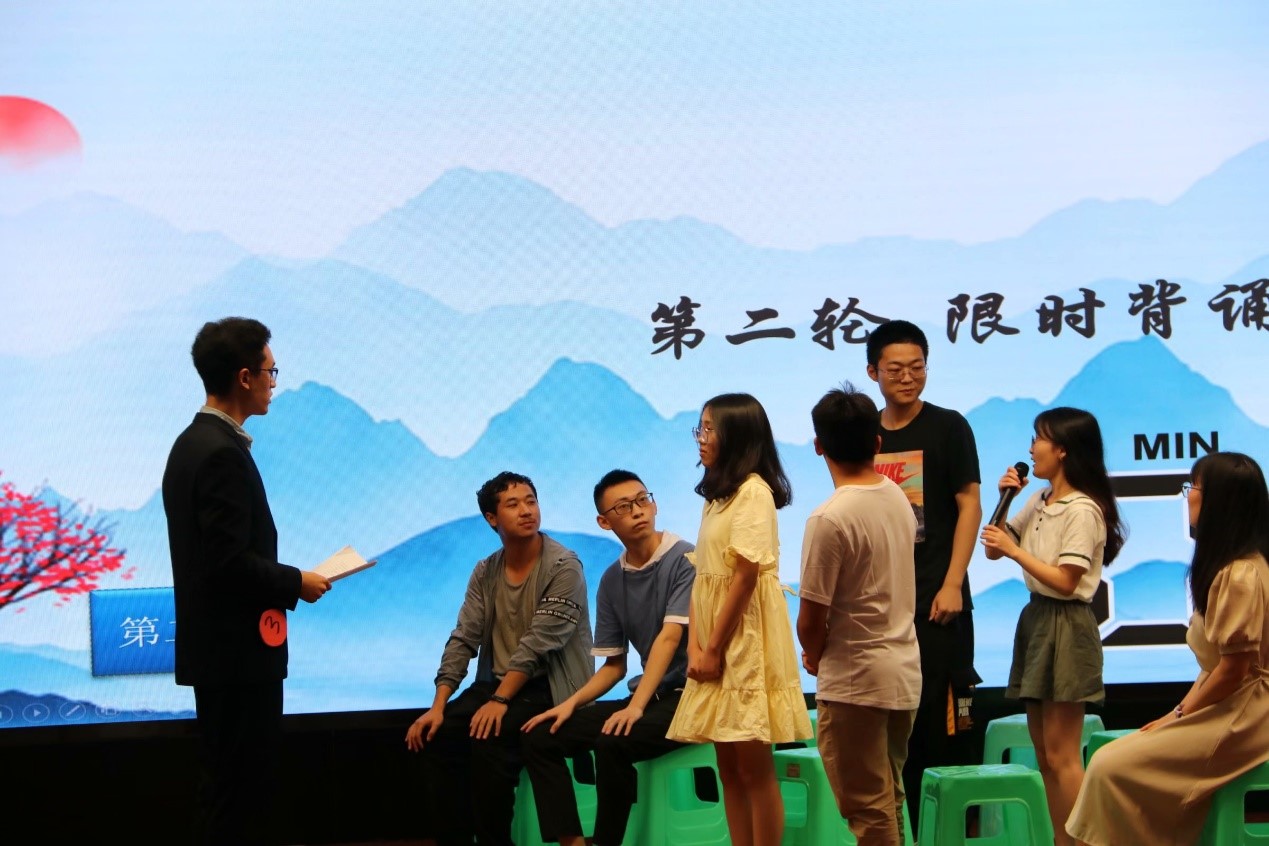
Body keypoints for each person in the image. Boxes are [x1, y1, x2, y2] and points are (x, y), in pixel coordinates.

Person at [162, 316, 332, 845]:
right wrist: (296, 582)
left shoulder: (193, 442)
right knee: (239, 796)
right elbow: (228, 564)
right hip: (236, 657)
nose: (273, 382)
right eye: (270, 371)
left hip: (220, 656)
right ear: (243, 377)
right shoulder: (219, 453)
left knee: (226, 789)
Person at [1067, 451, 1269, 846]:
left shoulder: (1241, 574)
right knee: (1115, 759)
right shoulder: (1238, 566)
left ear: (1219, 502)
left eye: (1194, 487)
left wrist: (1178, 715)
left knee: (1109, 765)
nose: (1188, 495)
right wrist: (1175, 715)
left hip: (1246, 717)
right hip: (1235, 706)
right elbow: (1216, 669)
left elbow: (1233, 671)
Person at [404, 471, 594, 846]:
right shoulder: (485, 570)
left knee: (489, 737)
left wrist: (500, 700)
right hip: (499, 685)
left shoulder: (564, 565)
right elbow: (464, 637)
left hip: (552, 687)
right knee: (436, 736)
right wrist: (438, 706)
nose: (526, 511)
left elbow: (538, 644)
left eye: (531, 501)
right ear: (492, 518)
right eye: (513, 504)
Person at [666, 392, 813, 846]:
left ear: (737, 436)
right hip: (714, 639)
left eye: (710, 429)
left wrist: (713, 648)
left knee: (753, 769)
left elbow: (746, 577)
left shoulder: (754, 492)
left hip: (744, 640)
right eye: (701, 427)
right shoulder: (716, 496)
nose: (701, 438)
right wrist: (695, 646)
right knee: (728, 769)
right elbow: (704, 577)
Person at [521, 469, 696, 846]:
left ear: (654, 505)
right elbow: (615, 666)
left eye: (643, 500)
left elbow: (669, 638)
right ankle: (572, 841)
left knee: (613, 740)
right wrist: (569, 704)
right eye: (623, 507)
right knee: (541, 735)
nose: (638, 511)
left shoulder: (686, 558)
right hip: (651, 696)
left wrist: (636, 708)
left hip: (694, 698)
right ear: (604, 521)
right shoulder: (613, 579)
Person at [980, 407, 1126, 846]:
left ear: (1062, 449)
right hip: (1037, 618)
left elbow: (1066, 580)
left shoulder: (1083, 509)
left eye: (1038, 439)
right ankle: (1063, 841)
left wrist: (1015, 550)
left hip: (1067, 623)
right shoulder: (1039, 499)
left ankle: (1085, 842)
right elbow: (992, 550)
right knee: (1044, 755)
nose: (1031, 449)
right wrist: (1005, 499)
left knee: (1063, 756)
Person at [864, 319, 983, 832]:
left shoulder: (949, 426)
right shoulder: (865, 434)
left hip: (939, 602)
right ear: (873, 372)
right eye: (895, 369)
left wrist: (953, 582)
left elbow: (970, 505)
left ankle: (954, 834)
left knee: (947, 731)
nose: (908, 378)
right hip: (882, 608)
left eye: (917, 368)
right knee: (894, 736)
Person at [797, 385, 921, 846]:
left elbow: (811, 617)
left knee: (868, 809)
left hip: (856, 681)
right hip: (902, 671)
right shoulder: (897, 496)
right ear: (877, 442)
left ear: (818, 445)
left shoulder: (829, 518)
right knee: (888, 798)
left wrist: (814, 654)